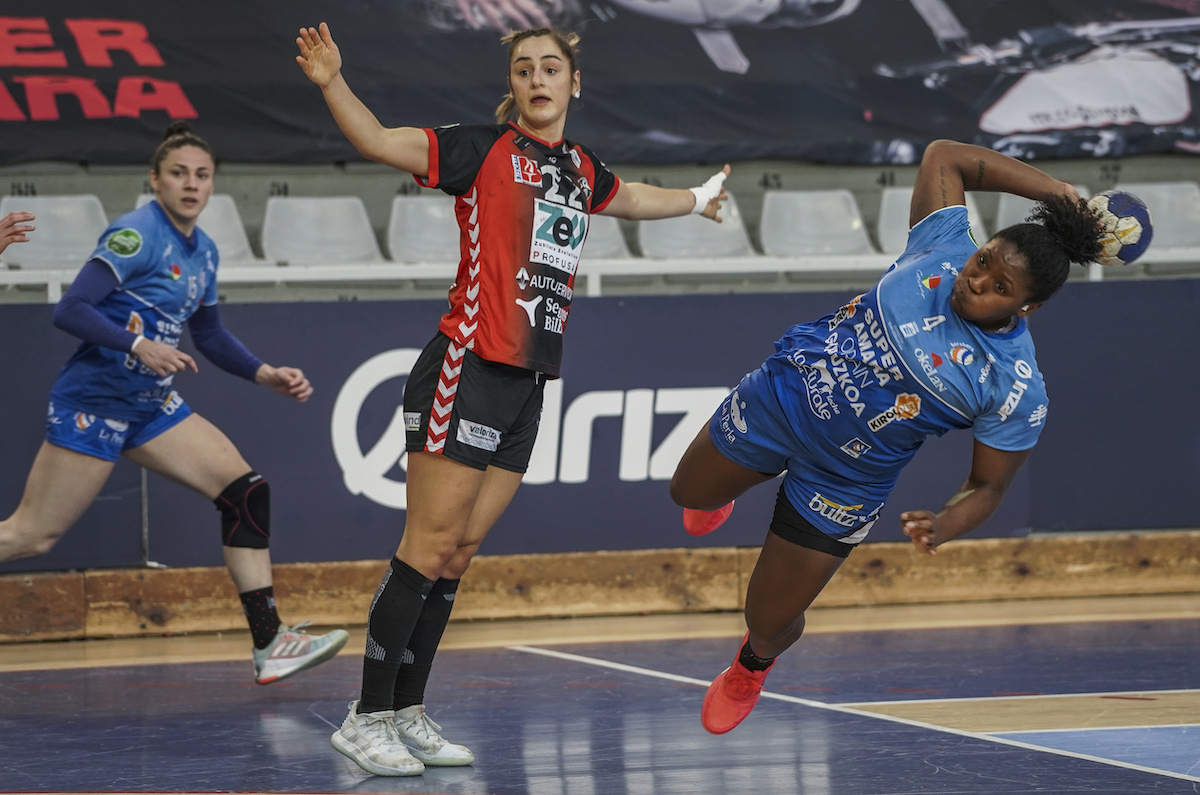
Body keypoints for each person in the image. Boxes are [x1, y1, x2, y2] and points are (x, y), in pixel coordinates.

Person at [296, 21, 730, 776]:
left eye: (550, 68)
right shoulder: (481, 149)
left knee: (458, 554)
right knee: (426, 547)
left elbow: (633, 197)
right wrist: (333, 80)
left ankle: (407, 711)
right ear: (513, 85)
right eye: (524, 68)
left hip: (527, 382)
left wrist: (698, 198)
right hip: (465, 367)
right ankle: (365, 716)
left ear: (573, 84)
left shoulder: (580, 168)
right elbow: (379, 141)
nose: (537, 79)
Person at [669, 138, 1105, 735]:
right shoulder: (942, 245)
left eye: (1000, 287)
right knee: (687, 493)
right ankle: (720, 493)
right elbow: (944, 156)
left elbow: (987, 487)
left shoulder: (1013, 385)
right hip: (780, 399)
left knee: (768, 619)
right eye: (984, 261)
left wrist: (946, 524)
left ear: (1025, 309)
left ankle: (751, 665)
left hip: (843, 482)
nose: (977, 281)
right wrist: (1058, 192)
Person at [0, 122, 349, 686]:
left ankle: (271, 642)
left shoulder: (204, 251)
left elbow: (208, 334)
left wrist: (264, 373)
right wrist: (138, 344)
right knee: (30, 536)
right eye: (179, 174)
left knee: (245, 493)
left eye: (202, 175)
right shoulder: (135, 235)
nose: (191, 184)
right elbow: (72, 309)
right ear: (156, 180)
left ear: (212, 185)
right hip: (96, 400)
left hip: (150, 404)